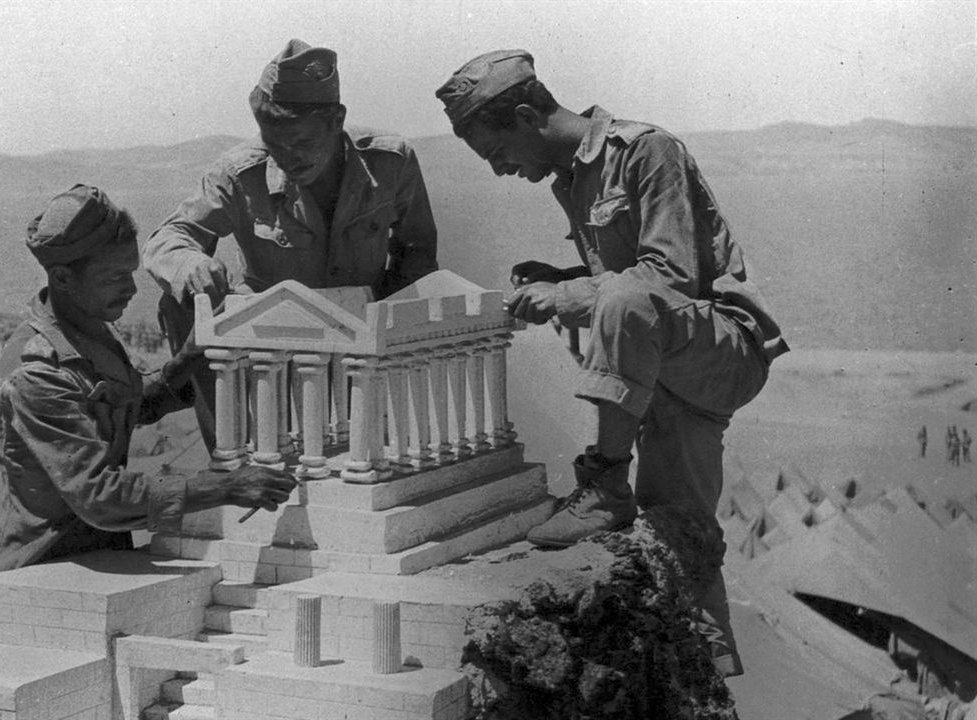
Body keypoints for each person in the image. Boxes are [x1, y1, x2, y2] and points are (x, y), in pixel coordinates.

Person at [436, 50, 789, 677]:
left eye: (497, 153)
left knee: (624, 300)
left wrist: (570, 295)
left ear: (524, 115)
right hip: (668, 371)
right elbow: (628, 284)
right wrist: (564, 277)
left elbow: (668, 279)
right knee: (678, 538)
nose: (499, 172)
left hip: (721, 352)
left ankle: (602, 481)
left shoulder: (645, 151)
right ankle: (706, 672)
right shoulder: (571, 179)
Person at [0, 185, 297, 576]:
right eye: (114, 277)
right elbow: (99, 496)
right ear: (61, 278)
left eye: (130, 273)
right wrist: (223, 488)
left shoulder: (89, 334)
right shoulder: (38, 372)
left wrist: (187, 359)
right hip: (34, 564)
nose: (129, 289)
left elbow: (129, 405)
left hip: (94, 556)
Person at [143, 38, 439, 449]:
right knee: (182, 300)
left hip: (360, 337)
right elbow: (169, 237)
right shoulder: (239, 172)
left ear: (336, 121)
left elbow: (418, 253)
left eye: (300, 143)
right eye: (273, 143)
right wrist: (188, 264)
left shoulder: (391, 162)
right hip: (271, 340)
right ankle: (226, 455)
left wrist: (383, 337)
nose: (285, 157)